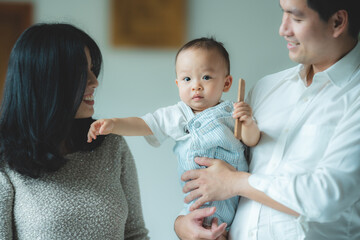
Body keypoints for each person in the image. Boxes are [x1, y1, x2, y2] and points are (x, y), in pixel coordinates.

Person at [174, 0, 360, 239]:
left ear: (337, 22)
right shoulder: (266, 88)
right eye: (283, 13)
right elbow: (228, 170)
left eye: (297, 17)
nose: (282, 29)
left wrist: (234, 182)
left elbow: (327, 196)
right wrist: (183, 224)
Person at [87, 37, 260, 232]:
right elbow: (145, 124)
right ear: (178, 84)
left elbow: (252, 140)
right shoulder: (177, 115)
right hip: (198, 203)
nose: (196, 86)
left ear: (226, 83)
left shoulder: (232, 111)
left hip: (236, 196)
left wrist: (248, 121)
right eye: (187, 79)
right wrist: (114, 124)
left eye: (206, 77)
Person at [0, 23, 149, 240]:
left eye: (92, 69)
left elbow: (135, 234)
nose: (95, 81)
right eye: (81, 72)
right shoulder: (6, 162)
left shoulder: (111, 143)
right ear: (45, 79)